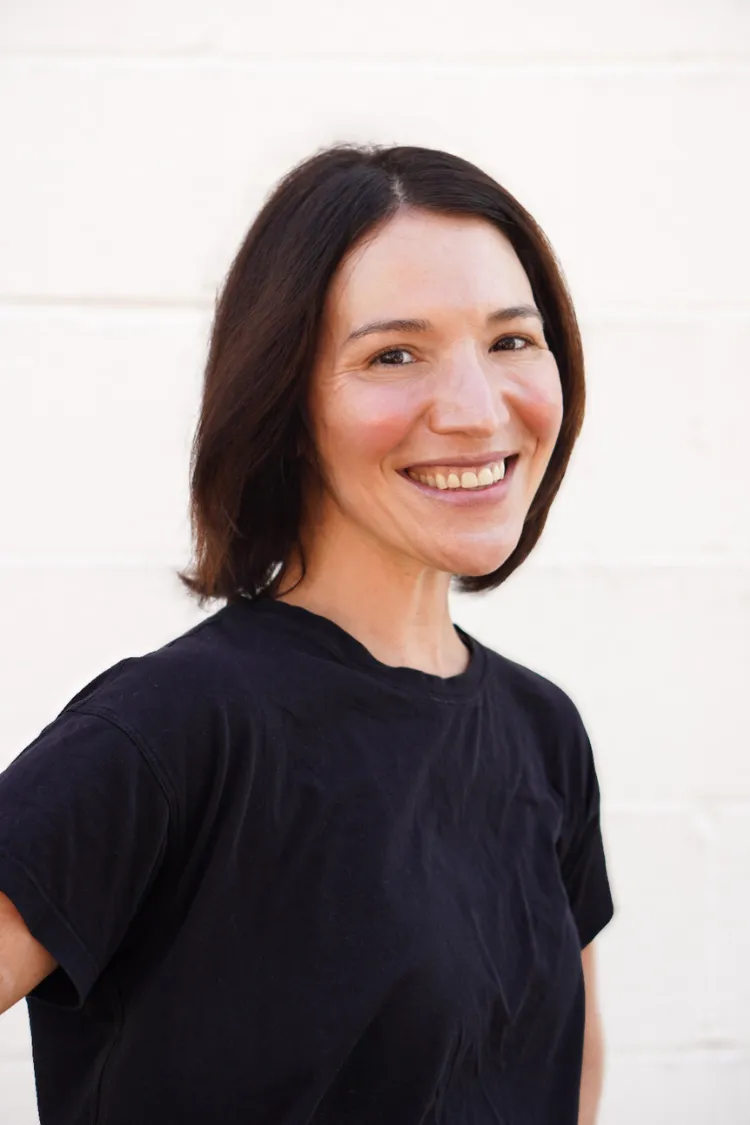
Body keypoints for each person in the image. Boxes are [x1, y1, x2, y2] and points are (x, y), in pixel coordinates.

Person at [0, 142, 615, 1125]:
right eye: (394, 354)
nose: (475, 409)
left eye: (511, 340)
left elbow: (566, 1083)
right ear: (287, 403)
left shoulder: (545, 733)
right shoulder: (174, 726)